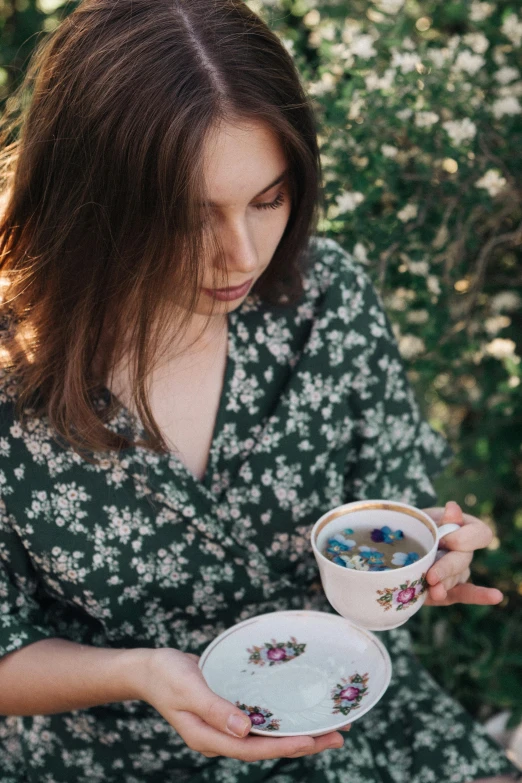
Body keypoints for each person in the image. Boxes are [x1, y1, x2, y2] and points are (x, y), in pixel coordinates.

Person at [0, 1, 519, 781]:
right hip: (115, 753)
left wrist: (421, 562)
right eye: (186, 215)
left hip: (344, 711)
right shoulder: (13, 375)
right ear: (92, 203)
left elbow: (386, 513)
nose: (240, 254)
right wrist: (139, 670)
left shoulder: (326, 297)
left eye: (268, 199)